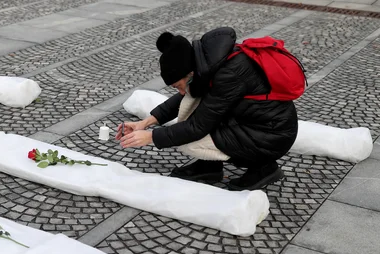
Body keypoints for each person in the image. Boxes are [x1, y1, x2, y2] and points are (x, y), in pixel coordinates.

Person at [116, 27, 298, 191]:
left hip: (271, 135)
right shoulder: (207, 63)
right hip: (251, 121)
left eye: (178, 85)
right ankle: (209, 167)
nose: (180, 91)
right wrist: (145, 123)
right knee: (193, 103)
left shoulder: (228, 74)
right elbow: (186, 96)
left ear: (190, 73)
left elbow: (197, 127)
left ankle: (264, 168)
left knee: (189, 140)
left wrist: (152, 137)